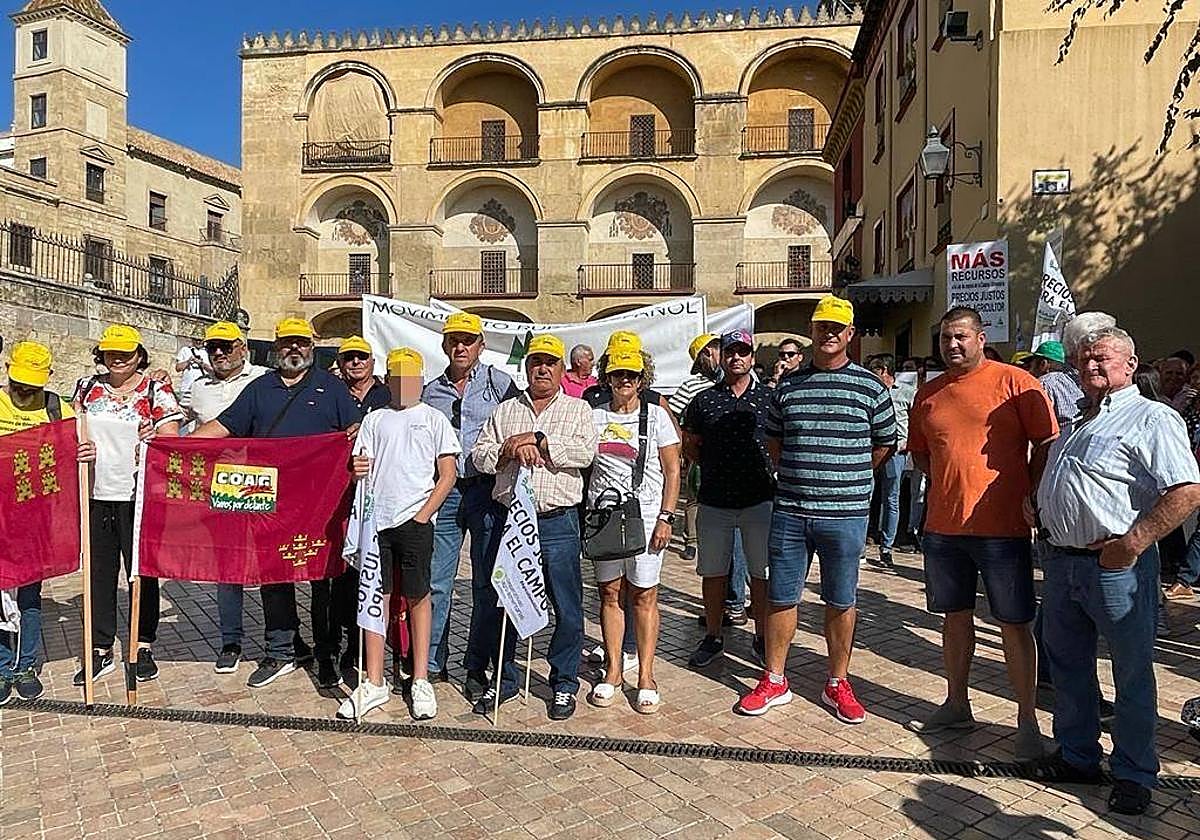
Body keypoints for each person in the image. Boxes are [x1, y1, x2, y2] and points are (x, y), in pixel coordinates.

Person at [1034, 323, 1200, 815]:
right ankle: (1078, 754)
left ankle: (1133, 772)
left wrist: (1133, 542)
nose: (1090, 366)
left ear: (1130, 364)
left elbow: (1186, 491)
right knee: (1068, 667)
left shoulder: (1151, 418)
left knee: (1130, 674)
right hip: (1063, 564)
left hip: (1116, 567)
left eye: (1102, 358)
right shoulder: (1079, 421)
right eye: (1084, 359)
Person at [905, 307, 1058, 760]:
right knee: (953, 618)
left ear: (980, 337)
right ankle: (957, 702)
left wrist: (1029, 490)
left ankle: (1027, 718)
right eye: (945, 338)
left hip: (1003, 529)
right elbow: (921, 454)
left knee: (1014, 624)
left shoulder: (1016, 382)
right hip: (943, 528)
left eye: (961, 336)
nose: (952, 345)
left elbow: (1047, 443)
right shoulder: (928, 394)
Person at [737, 297, 896, 720]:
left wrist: (847, 476)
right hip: (791, 510)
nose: (828, 333)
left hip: (845, 515)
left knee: (840, 601)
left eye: (836, 328)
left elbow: (883, 444)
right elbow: (774, 443)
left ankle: (837, 682)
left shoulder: (870, 387)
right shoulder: (787, 386)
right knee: (781, 597)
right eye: (821, 326)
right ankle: (775, 679)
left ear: (850, 334)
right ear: (813, 330)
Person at [193, 317, 361, 689]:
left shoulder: (331, 387)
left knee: (323, 577)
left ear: (311, 348)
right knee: (275, 576)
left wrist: (358, 435)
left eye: (301, 342)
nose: (294, 349)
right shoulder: (259, 389)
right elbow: (223, 427)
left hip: (322, 502)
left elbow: (356, 431)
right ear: (276, 347)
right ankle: (282, 649)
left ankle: (325, 651)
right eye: (287, 343)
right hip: (270, 500)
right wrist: (172, 447)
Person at [472, 334, 598, 720]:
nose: (542, 369)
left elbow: (585, 451)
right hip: (508, 522)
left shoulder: (578, 409)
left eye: (550, 363)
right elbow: (479, 456)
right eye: (535, 362)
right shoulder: (505, 409)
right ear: (526, 368)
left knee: (567, 606)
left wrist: (540, 441)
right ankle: (505, 679)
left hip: (557, 522)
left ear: (563, 369)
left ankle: (563, 682)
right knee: (505, 601)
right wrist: (509, 448)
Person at [342, 348, 459, 721]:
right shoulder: (375, 419)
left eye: (411, 376)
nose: (404, 383)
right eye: (397, 376)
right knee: (377, 598)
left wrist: (424, 515)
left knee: (419, 596)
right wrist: (357, 466)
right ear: (388, 380)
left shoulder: (434, 418)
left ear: (421, 379)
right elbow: (361, 465)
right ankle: (374, 680)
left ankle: (420, 677)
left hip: (416, 522)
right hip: (377, 523)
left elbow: (448, 474)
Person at [73, 325, 183, 686]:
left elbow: (171, 438)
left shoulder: (156, 388)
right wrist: (81, 447)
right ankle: (101, 647)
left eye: (125, 352)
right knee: (99, 573)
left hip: (139, 494)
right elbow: (72, 431)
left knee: (141, 572)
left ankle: (142, 644)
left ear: (139, 354)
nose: (117, 358)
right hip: (95, 492)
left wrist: (152, 440)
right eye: (109, 352)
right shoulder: (87, 387)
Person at [420, 311, 518, 699]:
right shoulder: (430, 391)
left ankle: (476, 664)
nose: (460, 347)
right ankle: (431, 661)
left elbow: (517, 425)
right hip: (444, 492)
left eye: (468, 340)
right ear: (445, 345)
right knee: (436, 581)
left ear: (481, 345)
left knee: (484, 584)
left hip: (485, 491)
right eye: (453, 340)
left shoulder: (500, 384)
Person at [585, 349, 680, 714]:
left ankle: (646, 675)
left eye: (632, 375)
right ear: (607, 377)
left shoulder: (655, 416)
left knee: (643, 596)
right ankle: (612, 670)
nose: (625, 381)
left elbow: (673, 470)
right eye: (618, 374)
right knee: (609, 593)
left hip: (647, 517)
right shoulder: (593, 416)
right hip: (605, 517)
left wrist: (667, 517)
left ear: (642, 379)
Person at [0, 342, 95, 704]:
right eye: (19, 382)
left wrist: (87, 452)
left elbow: (76, 451)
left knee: (28, 596)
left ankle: (25, 665)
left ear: (48, 379)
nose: (24, 391)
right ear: (8, 369)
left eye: (33, 385)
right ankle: (1, 667)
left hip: (34, 520)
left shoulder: (58, 409)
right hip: (0, 518)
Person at [682, 329, 774, 670]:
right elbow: (690, 441)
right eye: (730, 351)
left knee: (760, 573)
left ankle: (763, 636)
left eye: (743, 351)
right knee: (713, 572)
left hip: (759, 498)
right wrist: (711, 464)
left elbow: (779, 443)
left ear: (752, 358)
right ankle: (714, 635)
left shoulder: (769, 398)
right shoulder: (704, 400)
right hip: (716, 499)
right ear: (721, 356)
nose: (736, 357)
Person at [188, 321, 269, 674]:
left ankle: (281, 637)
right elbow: (178, 425)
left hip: (264, 482)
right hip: (220, 486)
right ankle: (231, 639)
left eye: (225, 346)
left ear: (242, 347)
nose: (218, 353)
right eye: (212, 348)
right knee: (228, 565)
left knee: (270, 562)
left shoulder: (264, 379)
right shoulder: (196, 387)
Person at [669, 333, 721, 563]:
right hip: (699, 450)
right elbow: (670, 414)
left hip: (729, 451)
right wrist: (681, 445)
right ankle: (691, 541)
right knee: (694, 496)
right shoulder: (691, 385)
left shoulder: (735, 378)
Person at [865, 353, 914, 569]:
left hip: (896, 451)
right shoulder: (869, 391)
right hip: (870, 449)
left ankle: (886, 547)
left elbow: (916, 420)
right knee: (865, 496)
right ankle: (860, 547)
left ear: (885, 370)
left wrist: (907, 442)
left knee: (891, 499)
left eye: (874, 370)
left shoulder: (906, 392)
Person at [1030, 340, 1084, 425]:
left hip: (1061, 434)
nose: (1030, 368)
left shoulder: (1043, 383)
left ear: (1043, 364)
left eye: (1032, 363)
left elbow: (1038, 421)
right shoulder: (1070, 378)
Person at [337, 336, 390, 414]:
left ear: (373, 361)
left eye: (362, 356)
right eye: (349, 357)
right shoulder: (332, 394)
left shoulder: (389, 394)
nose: (356, 361)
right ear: (339, 363)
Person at [173, 336, 210, 425]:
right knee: (184, 416)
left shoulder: (208, 352)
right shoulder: (185, 350)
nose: (198, 341)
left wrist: (201, 363)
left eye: (200, 339)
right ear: (192, 340)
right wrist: (188, 362)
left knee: (201, 417)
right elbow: (178, 368)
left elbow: (211, 370)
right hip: (186, 388)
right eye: (196, 339)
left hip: (203, 388)